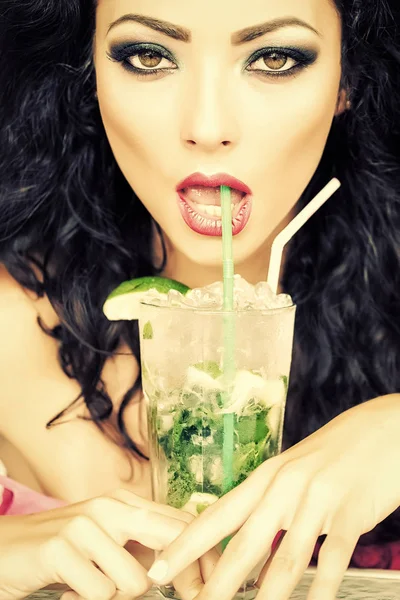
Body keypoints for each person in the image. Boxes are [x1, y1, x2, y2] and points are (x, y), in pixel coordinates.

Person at [0, 0, 399, 599]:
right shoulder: (13, 321)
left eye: (273, 57)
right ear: (91, 69)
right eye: (149, 55)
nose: (208, 126)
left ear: (348, 80)